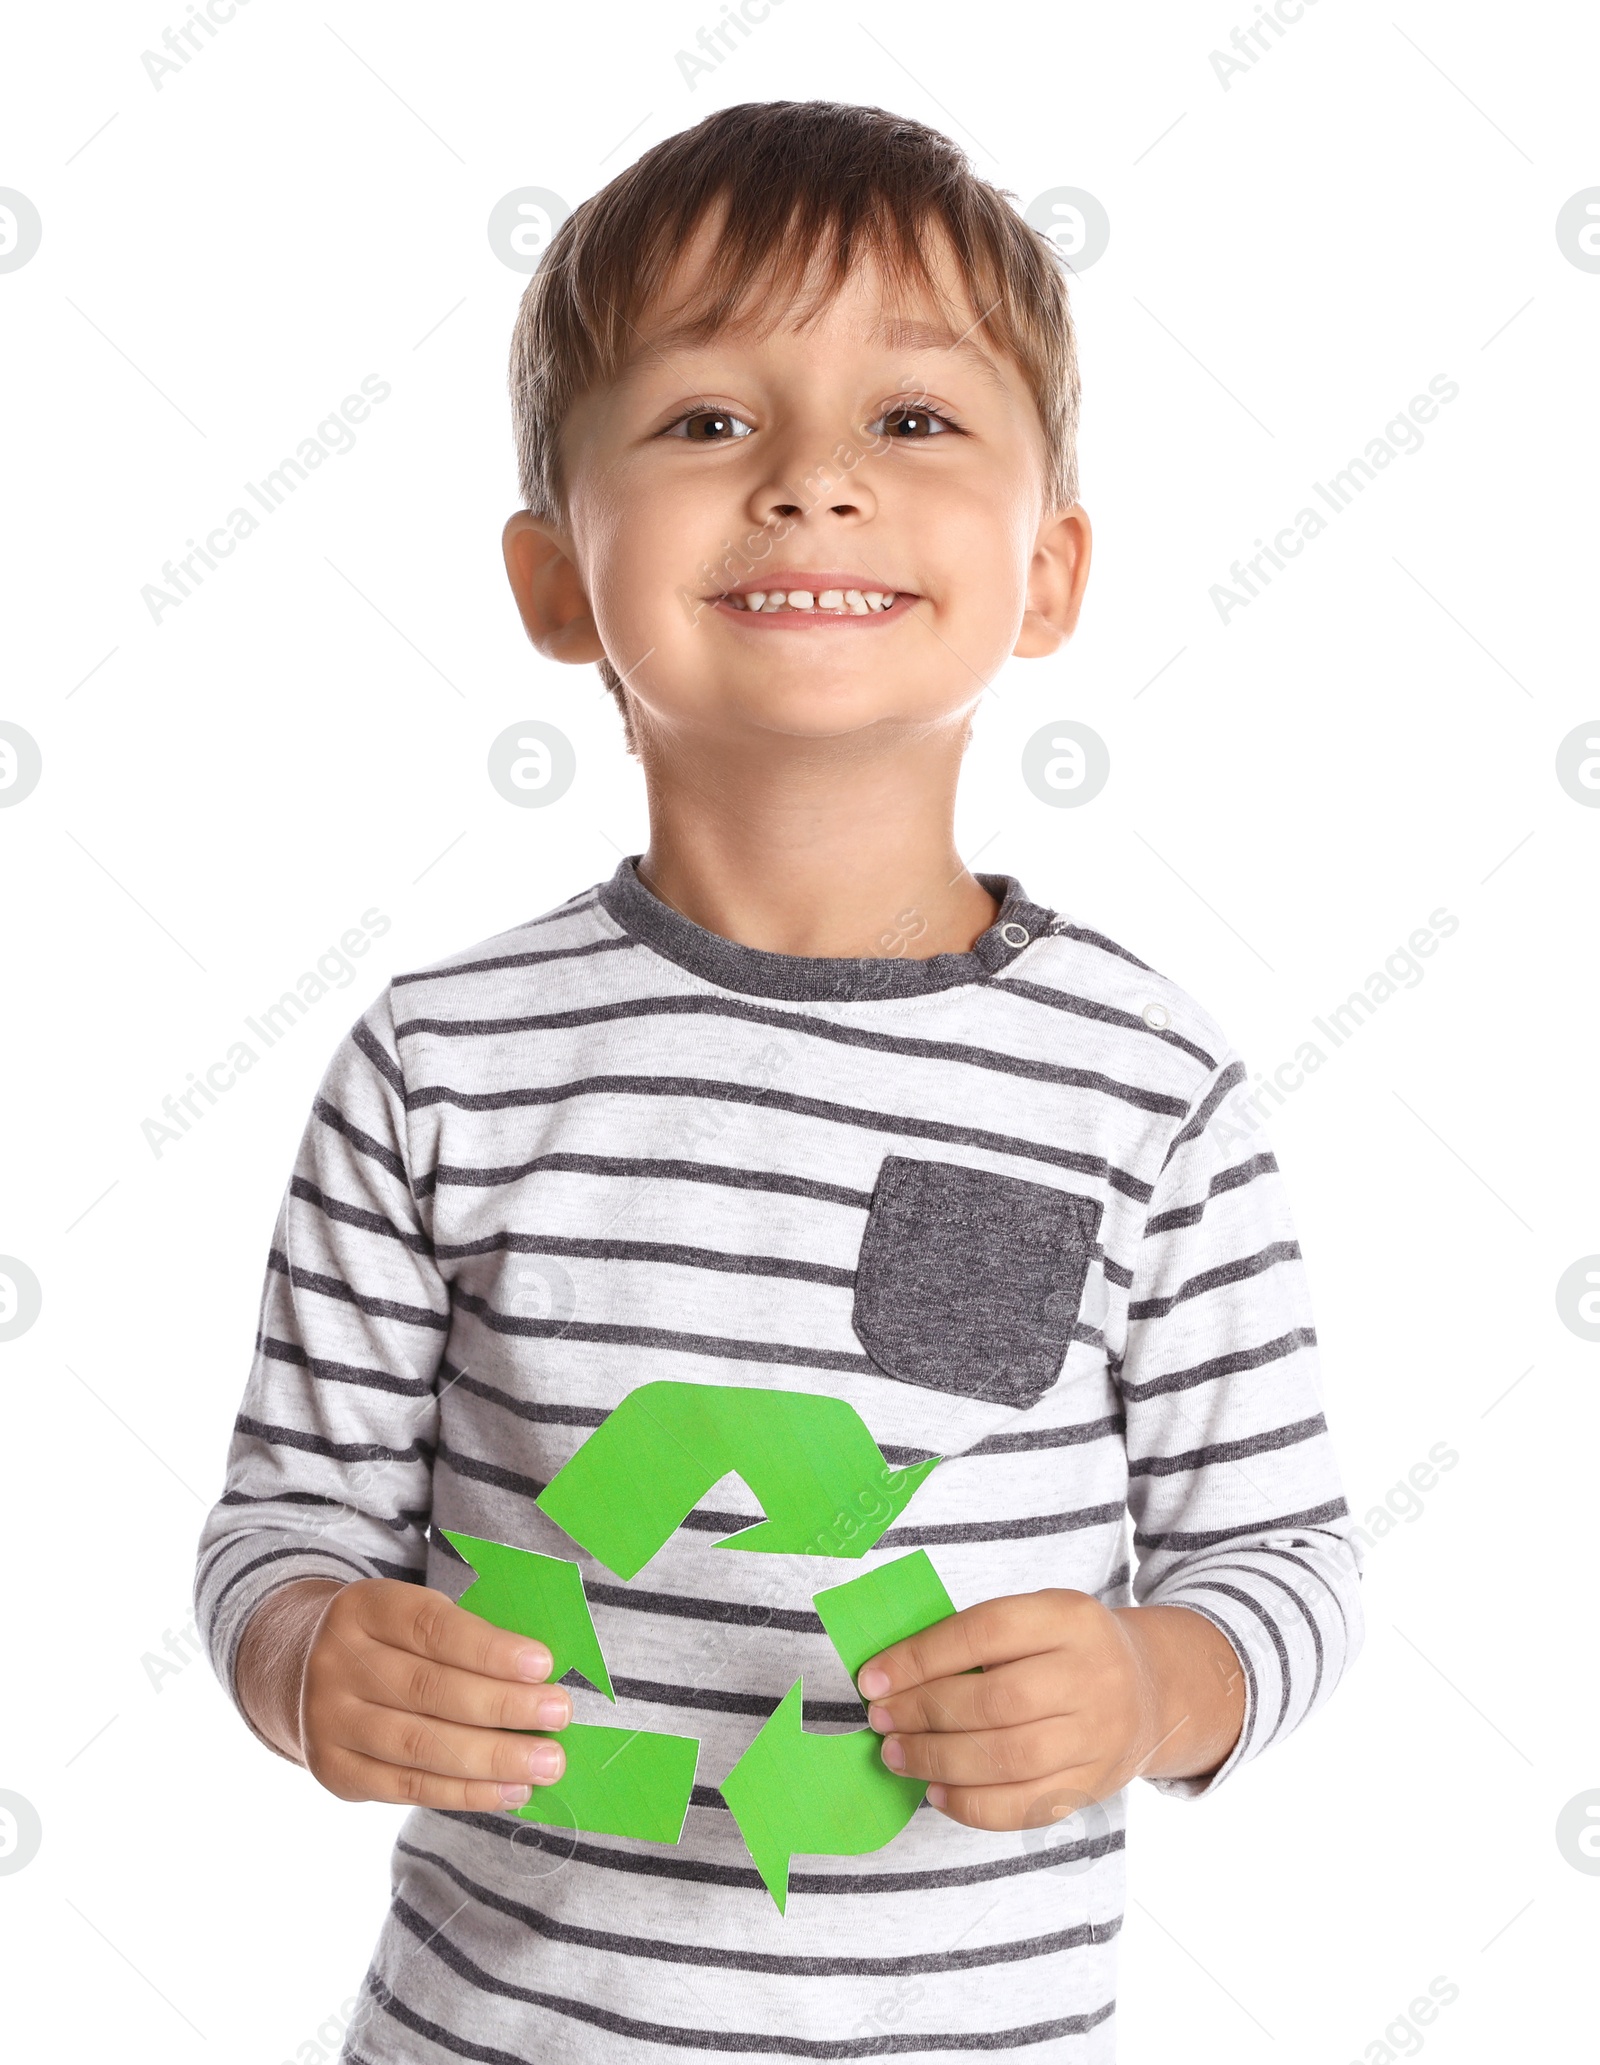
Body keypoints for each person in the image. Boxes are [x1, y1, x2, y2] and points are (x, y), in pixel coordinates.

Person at [195, 99, 1364, 2061]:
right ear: (555, 580)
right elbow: (281, 1522)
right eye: (704, 421)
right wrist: (309, 1652)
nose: (811, 481)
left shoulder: (1139, 1084)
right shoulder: (441, 1067)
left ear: (1047, 571)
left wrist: (1149, 1692)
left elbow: (1279, 1564)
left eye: (910, 422)